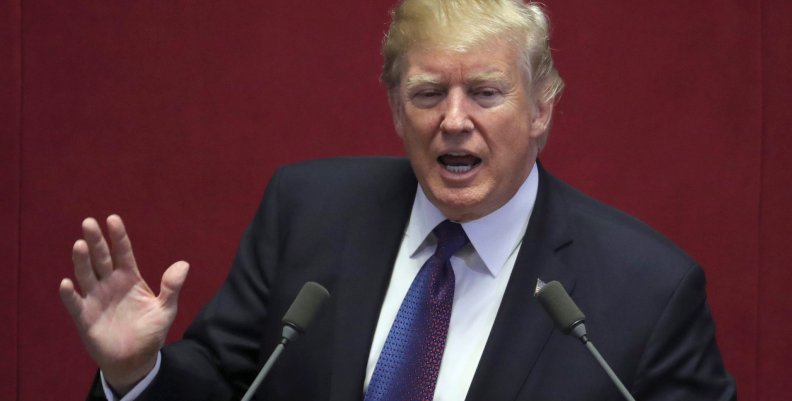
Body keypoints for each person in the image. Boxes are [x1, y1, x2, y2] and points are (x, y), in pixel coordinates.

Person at [60, 0, 737, 400]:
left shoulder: (647, 291)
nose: (453, 119)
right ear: (394, 106)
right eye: (427, 93)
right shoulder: (308, 212)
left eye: (485, 92)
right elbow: (222, 382)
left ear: (541, 108)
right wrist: (136, 370)